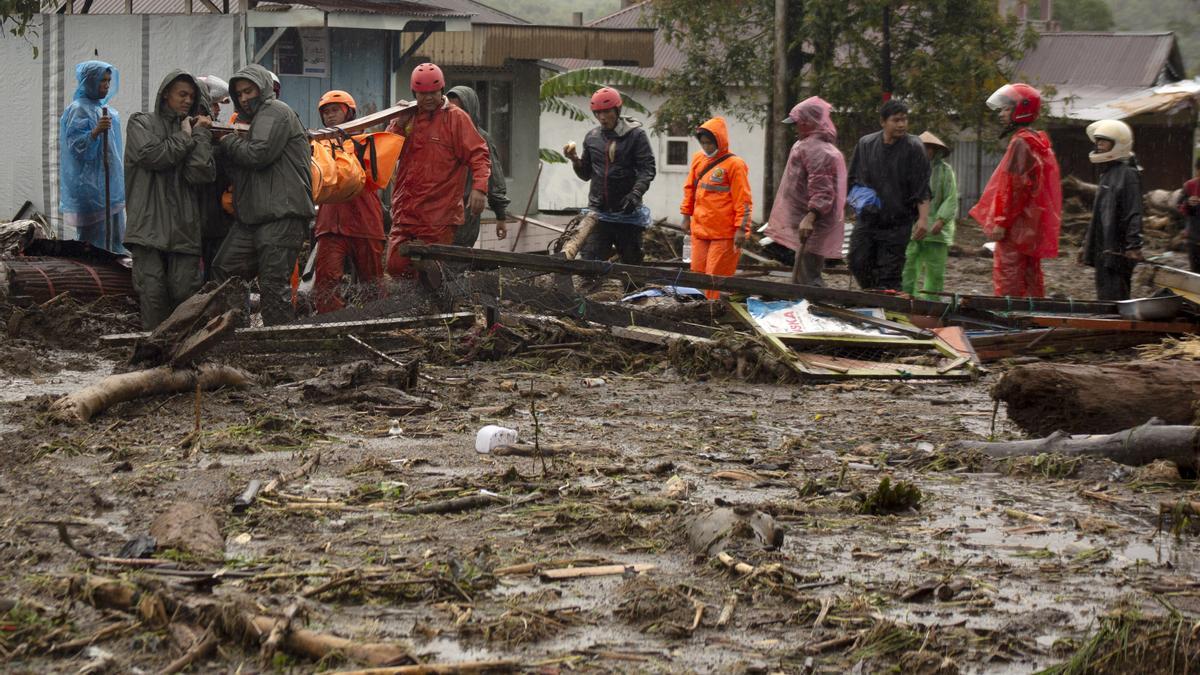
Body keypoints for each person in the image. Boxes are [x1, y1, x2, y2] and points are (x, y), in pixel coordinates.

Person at [212, 63, 315, 325]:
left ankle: (276, 345)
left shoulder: (274, 111)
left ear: (264, 88)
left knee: (273, 285)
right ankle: (236, 329)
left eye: (249, 91)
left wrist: (226, 141)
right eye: (240, 94)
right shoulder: (252, 123)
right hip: (254, 217)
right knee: (226, 267)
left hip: (281, 214)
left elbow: (258, 154)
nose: (245, 98)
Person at [123, 71, 216, 329]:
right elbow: (152, 156)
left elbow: (200, 173)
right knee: (152, 294)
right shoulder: (141, 123)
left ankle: (186, 357)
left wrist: (198, 136)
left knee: (185, 294)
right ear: (166, 93)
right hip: (148, 226)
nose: (187, 101)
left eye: (191, 96)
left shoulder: (193, 129)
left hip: (184, 228)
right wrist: (184, 138)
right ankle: (154, 360)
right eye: (182, 94)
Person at [384, 63, 495, 278]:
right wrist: (397, 125)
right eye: (423, 93)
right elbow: (387, 155)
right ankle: (409, 308)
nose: (428, 98)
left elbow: (479, 154)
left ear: (442, 90)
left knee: (432, 274)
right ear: (414, 93)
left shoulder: (456, 118)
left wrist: (480, 189)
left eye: (433, 93)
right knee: (395, 266)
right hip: (405, 213)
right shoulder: (407, 116)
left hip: (439, 216)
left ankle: (436, 309)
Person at [969, 83, 1061, 298]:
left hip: (1016, 226)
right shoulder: (1036, 141)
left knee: (1009, 275)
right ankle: (1035, 317)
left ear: (1022, 109)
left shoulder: (1020, 142)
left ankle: (1010, 320)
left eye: (1006, 109)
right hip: (1030, 223)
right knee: (1030, 275)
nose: (1001, 114)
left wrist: (1001, 221)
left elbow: (1013, 187)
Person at [563, 86, 656, 266]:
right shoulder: (592, 137)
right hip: (599, 214)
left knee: (631, 264)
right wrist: (574, 159)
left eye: (606, 112)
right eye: (597, 113)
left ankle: (634, 293)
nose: (602, 117)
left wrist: (635, 194)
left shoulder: (636, 136)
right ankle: (589, 294)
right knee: (590, 262)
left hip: (627, 212)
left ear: (617, 110)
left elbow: (647, 169)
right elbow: (586, 174)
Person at [311, 90, 386, 313]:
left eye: (335, 110)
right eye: (326, 112)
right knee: (325, 282)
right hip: (330, 225)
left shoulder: (366, 143)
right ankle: (332, 329)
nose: (330, 116)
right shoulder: (319, 147)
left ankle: (377, 324)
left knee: (372, 283)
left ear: (349, 113)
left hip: (365, 222)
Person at [846, 99, 931, 290]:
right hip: (868, 218)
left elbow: (922, 187)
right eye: (896, 120)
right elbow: (853, 179)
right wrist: (857, 203)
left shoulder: (914, 147)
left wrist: (923, 219)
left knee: (890, 272)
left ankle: (888, 310)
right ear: (883, 122)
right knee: (857, 261)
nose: (901, 124)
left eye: (904, 120)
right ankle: (873, 300)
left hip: (898, 222)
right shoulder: (866, 144)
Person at [765, 97, 847, 287]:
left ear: (809, 122)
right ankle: (802, 305)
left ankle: (813, 309)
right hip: (806, 219)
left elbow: (822, 190)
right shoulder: (809, 145)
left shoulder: (817, 150)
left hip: (812, 222)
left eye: (798, 124)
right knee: (803, 271)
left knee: (808, 275)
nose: (795, 128)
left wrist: (810, 217)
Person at [678, 117, 752, 299]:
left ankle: (713, 314)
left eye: (709, 143)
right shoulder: (698, 160)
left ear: (719, 141)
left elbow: (743, 199)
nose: (706, 147)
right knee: (698, 275)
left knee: (716, 278)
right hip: (701, 230)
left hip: (724, 234)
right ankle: (699, 310)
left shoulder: (735, 165)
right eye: (703, 143)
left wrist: (742, 229)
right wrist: (686, 215)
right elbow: (690, 189)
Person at [60, 60, 127, 254]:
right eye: (101, 80)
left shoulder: (109, 112)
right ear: (88, 82)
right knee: (95, 243)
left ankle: (114, 281)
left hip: (110, 186)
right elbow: (75, 148)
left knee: (115, 238)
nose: (106, 85)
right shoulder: (78, 109)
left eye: (108, 80)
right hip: (90, 188)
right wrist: (95, 132)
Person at [1080, 120, 1143, 301]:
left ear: (1118, 144)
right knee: (1105, 294)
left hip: (1118, 248)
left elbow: (1134, 211)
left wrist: (1134, 244)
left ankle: (1118, 328)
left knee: (1116, 296)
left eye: (1104, 141)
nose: (1099, 145)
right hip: (1104, 246)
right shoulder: (1107, 173)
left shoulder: (1128, 174)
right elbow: (1098, 215)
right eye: (1097, 141)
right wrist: (1087, 245)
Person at [447, 85, 510, 248]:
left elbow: (494, 179)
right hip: (439, 210)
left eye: (460, 109)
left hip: (467, 212)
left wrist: (500, 216)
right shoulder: (441, 134)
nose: (455, 115)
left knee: (457, 260)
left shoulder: (481, 139)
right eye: (450, 108)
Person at [901, 132, 958, 300]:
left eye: (928, 148)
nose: (925, 152)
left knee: (935, 270)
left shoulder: (945, 171)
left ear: (935, 150)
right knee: (907, 266)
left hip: (936, 230)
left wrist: (941, 219)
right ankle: (904, 299)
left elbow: (951, 197)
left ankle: (931, 303)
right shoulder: (907, 170)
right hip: (912, 226)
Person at [196, 75, 233, 278]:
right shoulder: (196, 133)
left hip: (218, 216)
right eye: (214, 105)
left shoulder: (220, 133)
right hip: (202, 216)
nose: (218, 110)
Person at [1178, 158, 1200, 272]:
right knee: (1195, 272)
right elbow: (1180, 206)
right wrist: (1188, 203)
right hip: (1194, 236)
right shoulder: (1189, 186)